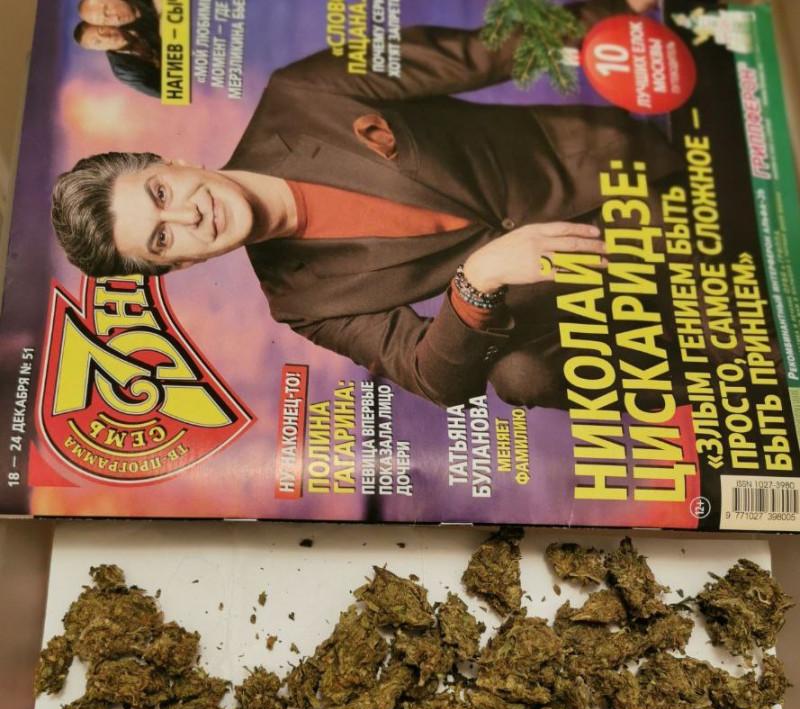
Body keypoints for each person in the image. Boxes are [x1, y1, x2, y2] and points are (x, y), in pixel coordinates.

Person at [53, 0, 678, 410]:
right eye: (162, 238)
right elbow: (433, 378)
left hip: (604, 172)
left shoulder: (301, 94)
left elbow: (477, 54)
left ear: (174, 163)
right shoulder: (301, 303)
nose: (187, 216)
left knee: (672, 228)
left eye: (161, 194)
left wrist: (611, 12)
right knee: (518, 376)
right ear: (181, 265)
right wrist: (478, 280)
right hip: (573, 292)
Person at [74, 0, 162, 97]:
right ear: (98, 50)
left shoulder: (135, 19)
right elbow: (167, 92)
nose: (106, 37)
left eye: (101, 30)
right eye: (98, 42)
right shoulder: (124, 71)